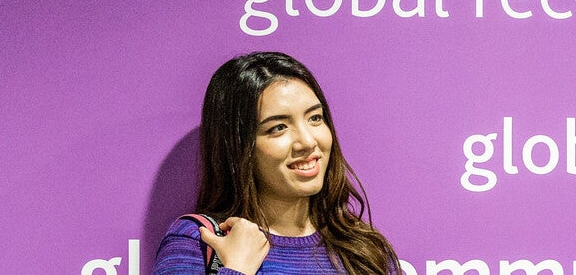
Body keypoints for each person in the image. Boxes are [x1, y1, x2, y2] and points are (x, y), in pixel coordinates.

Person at [154, 52, 399, 274]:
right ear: (239, 147)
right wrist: (237, 268)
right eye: (278, 128)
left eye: (315, 118)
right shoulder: (199, 241)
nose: (307, 141)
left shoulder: (364, 251)